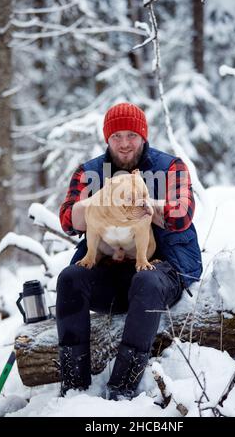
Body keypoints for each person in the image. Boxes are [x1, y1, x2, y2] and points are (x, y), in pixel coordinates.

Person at [56, 102, 203, 400]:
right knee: (69, 278)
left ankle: (122, 388)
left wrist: (141, 206)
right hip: (111, 270)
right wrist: (97, 205)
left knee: (146, 282)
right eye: (116, 136)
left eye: (131, 136)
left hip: (163, 268)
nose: (124, 144)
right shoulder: (90, 172)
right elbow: (67, 220)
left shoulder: (169, 167)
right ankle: (74, 387)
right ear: (107, 139)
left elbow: (183, 213)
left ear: (144, 136)